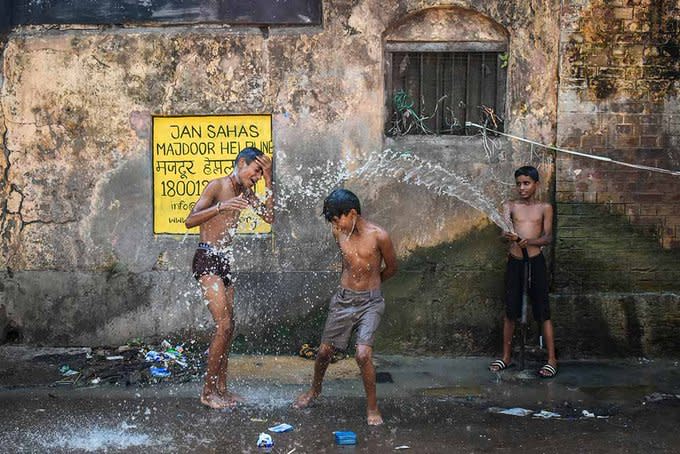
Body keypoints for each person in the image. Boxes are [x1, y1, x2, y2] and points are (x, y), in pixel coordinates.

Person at [293, 189, 398, 425]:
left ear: (352, 213)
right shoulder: (338, 232)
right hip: (343, 300)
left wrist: (371, 285)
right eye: (331, 220)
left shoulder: (379, 236)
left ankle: (372, 408)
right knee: (323, 353)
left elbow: (392, 268)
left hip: (371, 302)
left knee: (362, 354)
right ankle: (314, 391)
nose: (335, 224)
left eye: (337, 218)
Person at [184, 147, 273, 409]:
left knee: (230, 327)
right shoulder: (217, 186)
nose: (256, 177)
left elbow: (270, 217)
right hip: (207, 257)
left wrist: (268, 180)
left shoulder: (246, 191)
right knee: (222, 326)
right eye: (256, 170)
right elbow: (189, 221)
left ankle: (222, 389)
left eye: (261, 173)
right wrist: (222, 206)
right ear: (241, 163)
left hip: (225, 260)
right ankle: (207, 392)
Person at [489, 166, 557, 378]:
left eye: (526, 183)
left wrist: (530, 241)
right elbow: (503, 233)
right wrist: (508, 236)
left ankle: (552, 359)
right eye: (519, 183)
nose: (522, 187)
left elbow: (547, 238)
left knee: (542, 312)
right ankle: (506, 357)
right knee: (510, 311)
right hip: (515, 262)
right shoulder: (510, 206)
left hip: (535, 261)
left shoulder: (545, 208)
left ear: (536, 184)